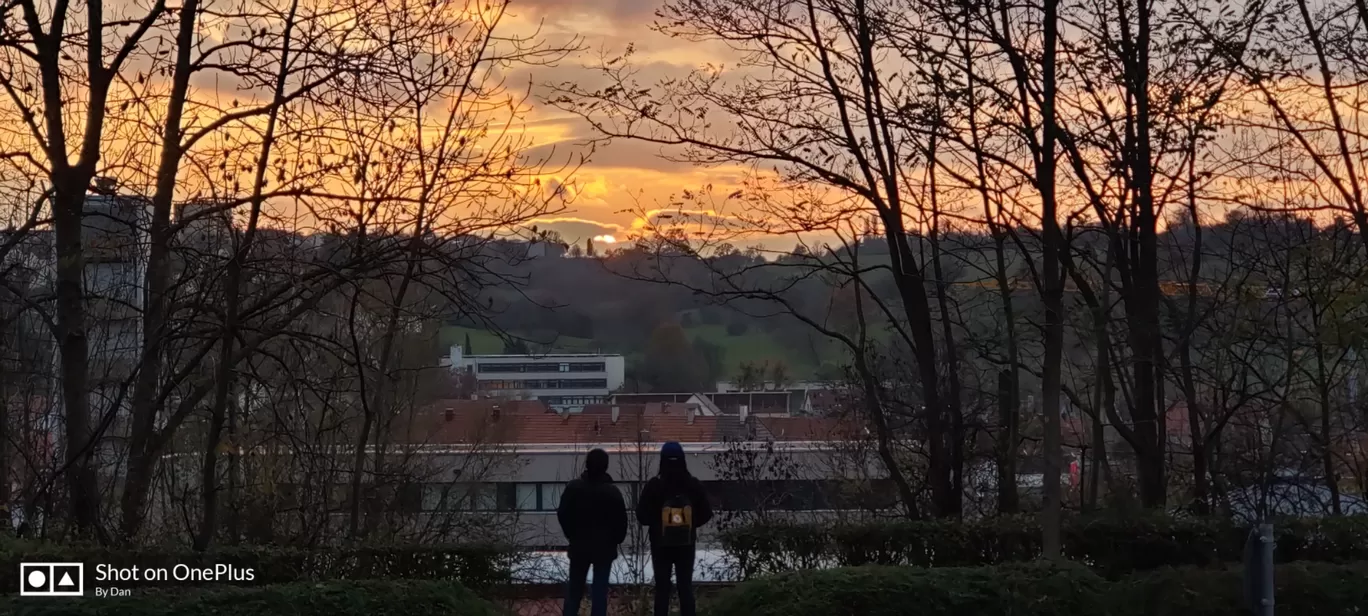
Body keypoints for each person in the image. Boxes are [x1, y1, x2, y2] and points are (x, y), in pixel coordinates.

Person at [637, 441, 713, 616]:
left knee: (662, 589)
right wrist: (691, 524)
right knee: (685, 587)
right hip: (686, 544)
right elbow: (706, 513)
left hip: (660, 544)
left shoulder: (654, 486)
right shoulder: (693, 485)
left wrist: (658, 523)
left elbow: (641, 515)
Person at [558, 448, 628, 616]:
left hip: (579, 546)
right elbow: (621, 522)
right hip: (604, 549)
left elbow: (563, 513)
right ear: (606, 466)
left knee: (574, 592)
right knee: (599, 593)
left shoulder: (574, 488)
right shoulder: (612, 492)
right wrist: (615, 540)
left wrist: (571, 535)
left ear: (587, 464)